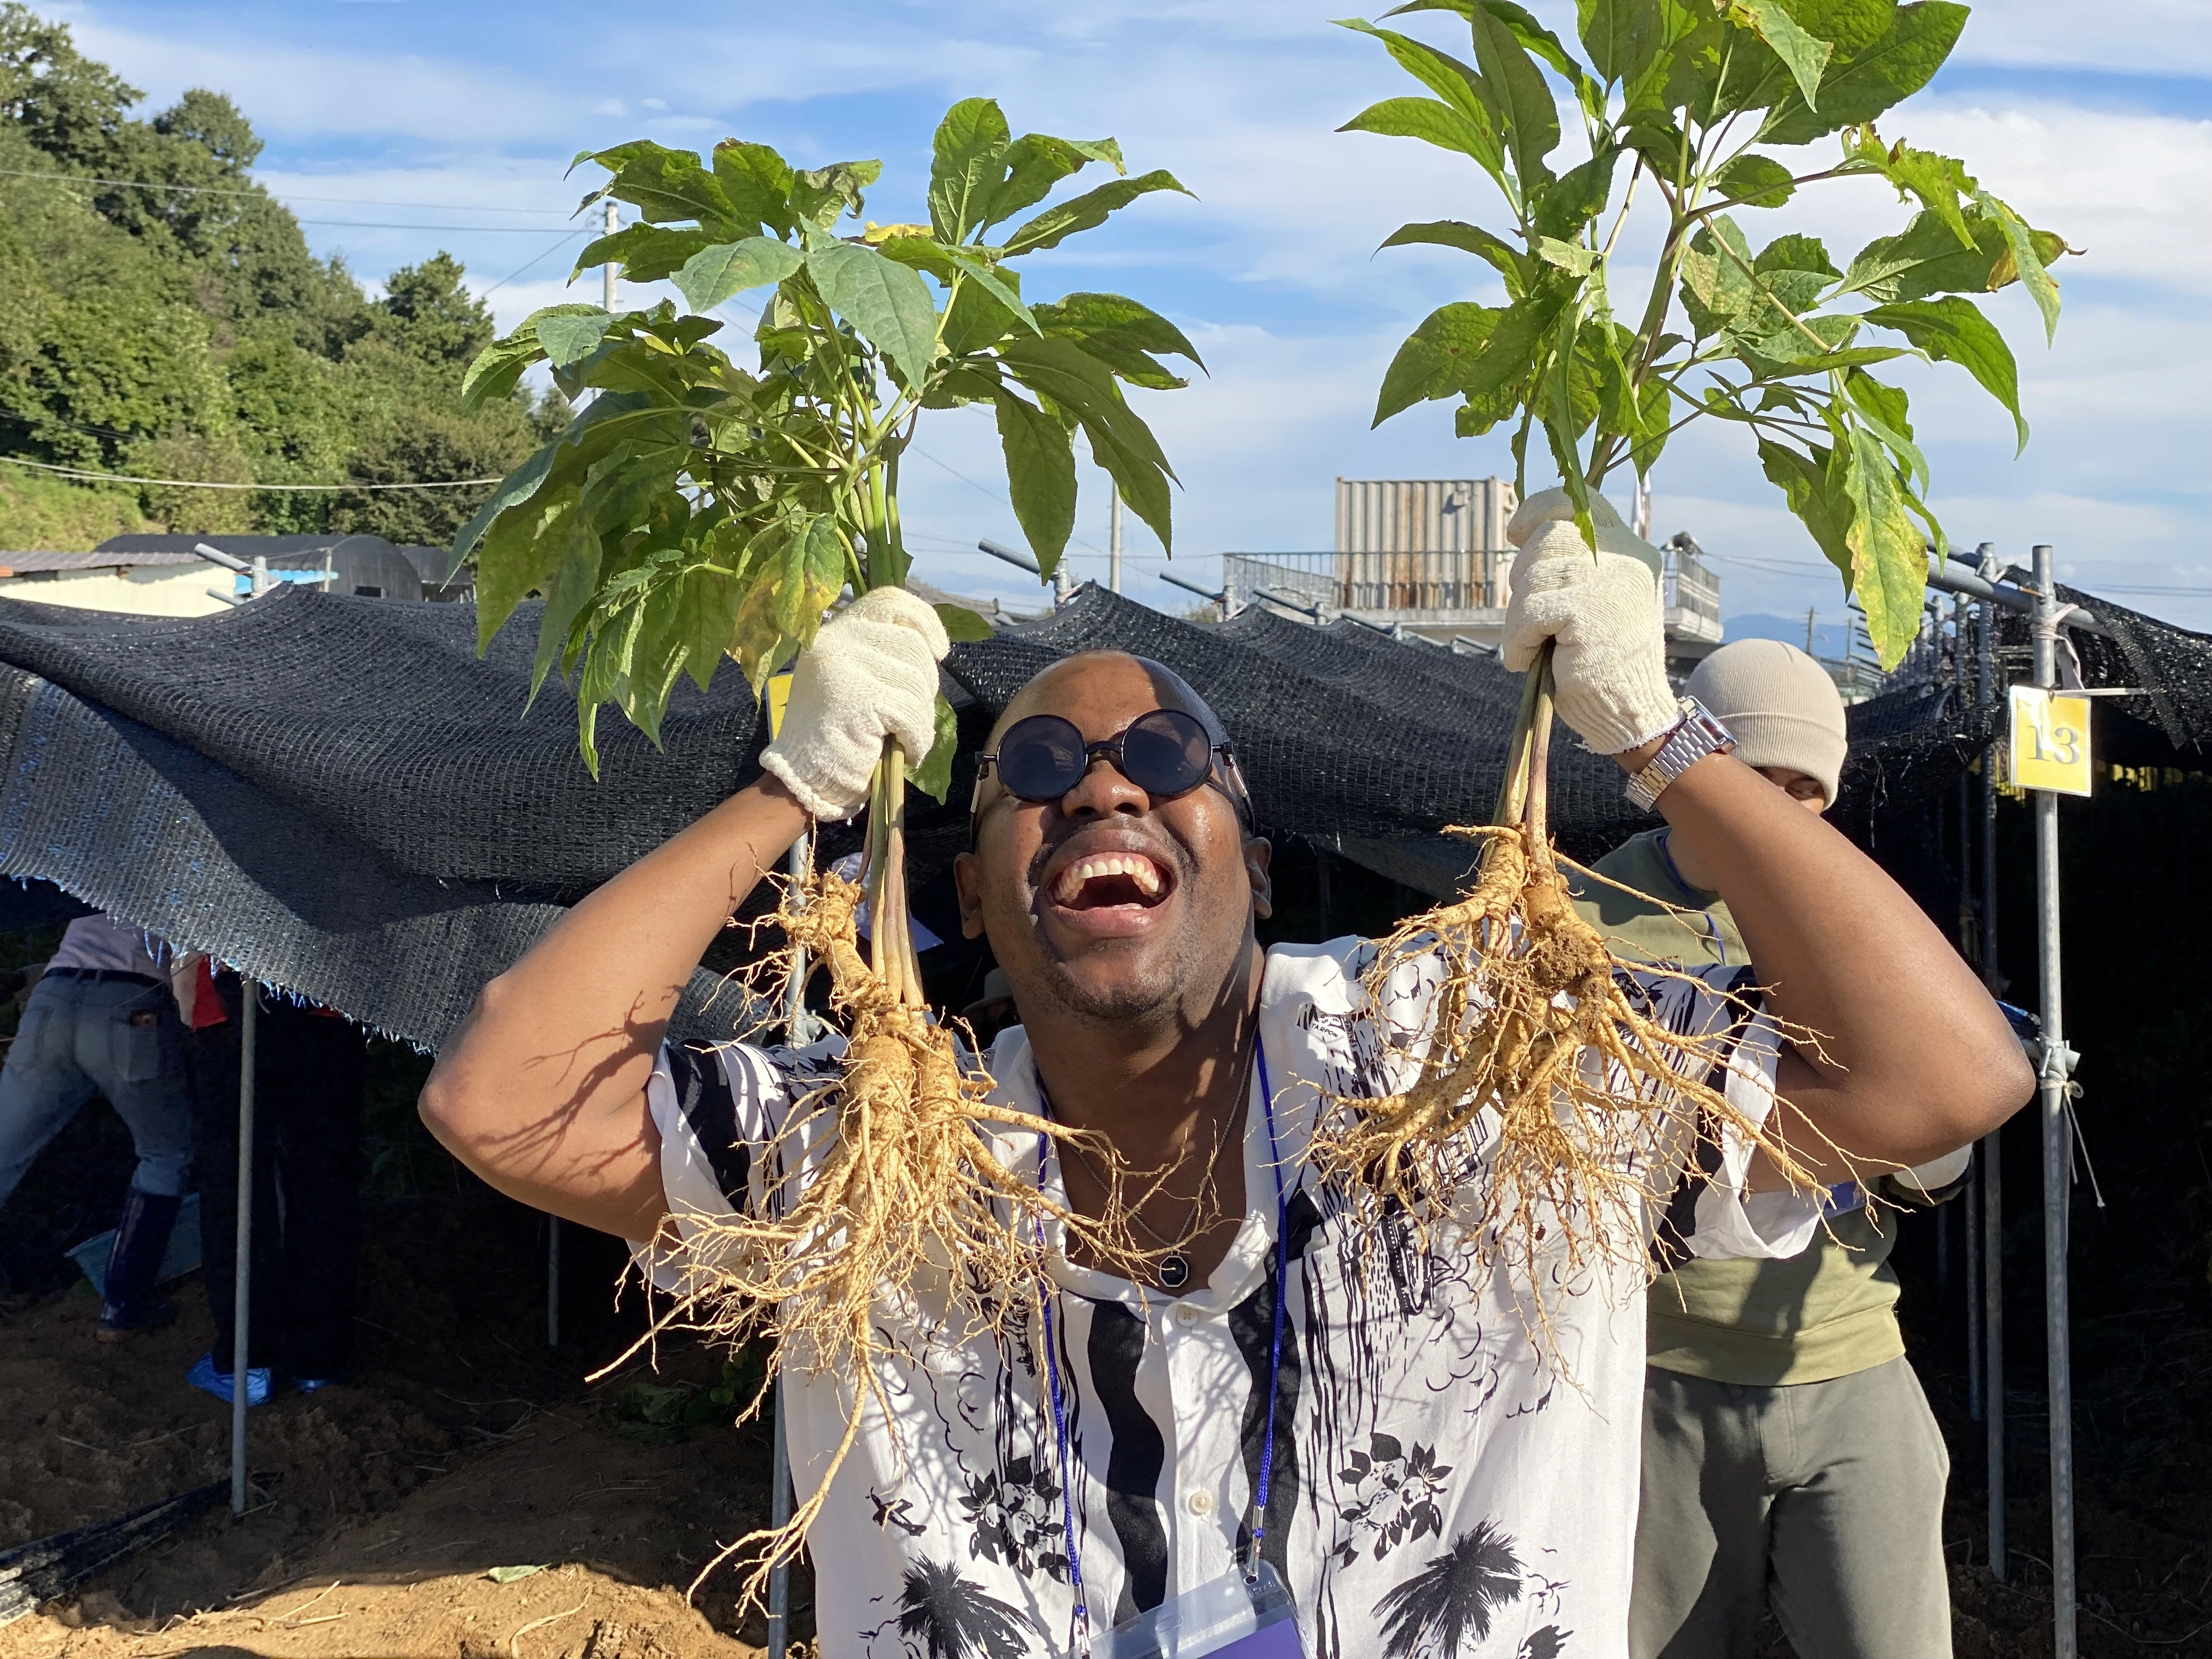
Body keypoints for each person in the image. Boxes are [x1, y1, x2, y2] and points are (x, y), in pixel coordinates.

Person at [420, 497, 2031, 1657]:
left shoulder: (1456, 1081)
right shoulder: (877, 1150)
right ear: (973, 897)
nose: (1104, 781)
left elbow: (1937, 1072)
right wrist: (797, 779)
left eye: (1168, 757)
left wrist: (1659, 740)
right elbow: (501, 1096)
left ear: (1249, 866)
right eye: (1034, 771)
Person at [1567, 638, 1973, 1659]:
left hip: (1849, 1361)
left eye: (1807, 788)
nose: (1783, 810)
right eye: (1754, 779)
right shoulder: (1582, 923)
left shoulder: (1855, 926)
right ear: (1688, 774)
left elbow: (1939, 1162)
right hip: (1658, 1378)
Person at [177, 960, 367, 1405]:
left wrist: (190, 1000)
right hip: (329, 1001)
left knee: (235, 1180)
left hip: (232, 998)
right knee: (325, 1180)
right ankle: (319, 1361)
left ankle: (246, 1363)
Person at [0, 910, 192, 1337]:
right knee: (166, 1154)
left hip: (53, 996)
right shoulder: (193, 884)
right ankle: (124, 1306)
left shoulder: (105, 869)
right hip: (133, 1004)